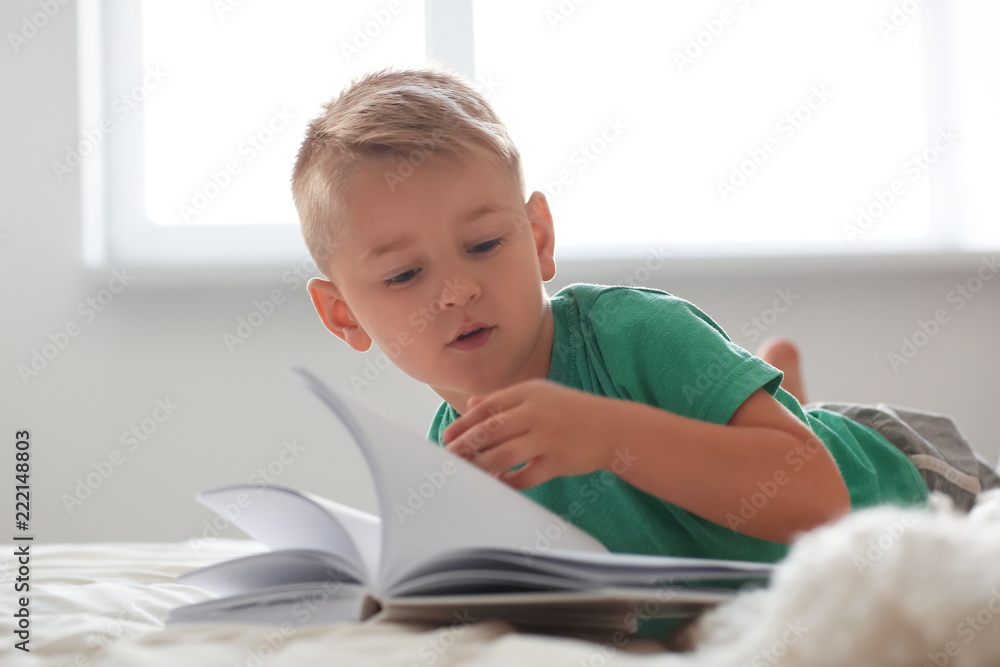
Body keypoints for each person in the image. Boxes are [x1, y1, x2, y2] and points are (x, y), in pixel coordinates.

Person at [291, 67, 999, 638]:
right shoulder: (454, 457)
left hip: (908, 483)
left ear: (539, 238)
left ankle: (786, 407)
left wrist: (605, 435)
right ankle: (776, 392)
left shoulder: (630, 332)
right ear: (343, 314)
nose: (455, 290)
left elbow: (818, 497)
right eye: (404, 275)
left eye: (484, 245)